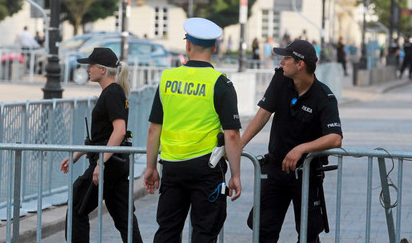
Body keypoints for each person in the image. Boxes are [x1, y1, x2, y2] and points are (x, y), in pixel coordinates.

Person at [143, 17, 242, 243]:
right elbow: (232, 134)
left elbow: (153, 129)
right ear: (214, 47)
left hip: (172, 167)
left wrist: (150, 167)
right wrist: (236, 174)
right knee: (204, 232)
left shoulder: (167, 79)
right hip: (206, 167)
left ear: (187, 45)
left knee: (167, 230)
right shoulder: (221, 83)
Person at [240, 39, 343, 243]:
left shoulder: (324, 97)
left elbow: (335, 138)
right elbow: (262, 115)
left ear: (300, 64)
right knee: (263, 229)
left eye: (286, 58)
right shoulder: (281, 81)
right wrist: (238, 145)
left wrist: (301, 149)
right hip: (276, 169)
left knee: (308, 234)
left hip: (305, 173)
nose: (281, 63)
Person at [60, 47, 143, 243]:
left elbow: (119, 130)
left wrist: (100, 163)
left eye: (91, 66)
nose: (88, 69)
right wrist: (78, 153)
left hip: (109, 163)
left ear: (103, 70)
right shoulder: (114, 92)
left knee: (77, 209)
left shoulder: (112, 93)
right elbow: (105, 135)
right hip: (115, 163)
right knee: (125, 219)